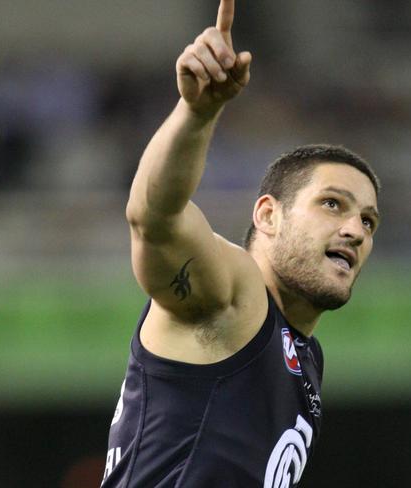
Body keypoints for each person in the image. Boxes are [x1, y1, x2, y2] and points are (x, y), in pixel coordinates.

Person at [101, 1, 380, 486]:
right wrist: (196, 112)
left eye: (369, 221)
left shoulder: (304, 356)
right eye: (332, 204)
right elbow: (155, 220)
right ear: (268, 215)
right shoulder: (234, 295)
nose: (356, 230)